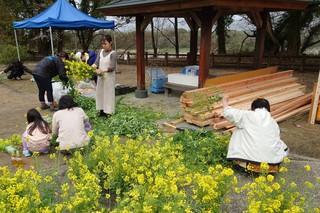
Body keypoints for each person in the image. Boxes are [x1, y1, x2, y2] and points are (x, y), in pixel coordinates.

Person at [221, 95, 288, 172]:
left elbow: (227, 112)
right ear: (268, 109)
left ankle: (244, 165)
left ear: (253, 108)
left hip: (250, 163)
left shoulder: (247, 115)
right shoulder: (273, 122)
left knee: (239, 127)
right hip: (273, 165)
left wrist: (224, 100)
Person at [93, 35, 117, 118]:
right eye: (102, 44)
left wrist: (102, 70)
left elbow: (112, 67)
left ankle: (109, 112)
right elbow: (96, 62)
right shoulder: (100, 51)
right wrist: (91, 67)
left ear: (110, 43)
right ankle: (101, 110)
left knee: (108, 93)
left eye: (105, 44)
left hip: (109, 77)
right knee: (100, 93)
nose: (104, 46)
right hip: (100, 77)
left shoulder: (113, 53)